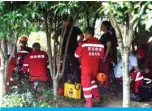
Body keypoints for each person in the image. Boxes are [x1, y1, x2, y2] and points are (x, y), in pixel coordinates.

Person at [75, 27, 104, 107]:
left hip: (86, 68)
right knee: (92, 82)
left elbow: (76, 55)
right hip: (95, 68)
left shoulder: (83, 43)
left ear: (86, 34)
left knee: (86, 85)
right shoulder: (100, 44)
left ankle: (89, 104)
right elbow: (101, 57)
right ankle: (97, 97)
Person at [61, 16, 84, 83]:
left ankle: (76, 83)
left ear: (71, 22)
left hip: (72, 51)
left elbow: (82, 37)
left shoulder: (75, 29)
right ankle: (68, 83)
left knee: (74, 67)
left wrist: (76, 43)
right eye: (64, 21)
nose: (64, 23)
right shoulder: (63, 29)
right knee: (67, 68)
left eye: (66, 21)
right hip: (65, 52)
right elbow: (54, 37)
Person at [99, 21, 117, 90]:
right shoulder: (103, 35)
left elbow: (108, 47)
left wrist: (105, 57)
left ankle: (106, 86)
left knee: (105, 71)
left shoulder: (108, 36)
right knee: (102, 71)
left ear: (106, 26)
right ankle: (102, 84)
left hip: (106, 57)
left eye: (102, 25)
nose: (101, 27)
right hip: (102, 56)